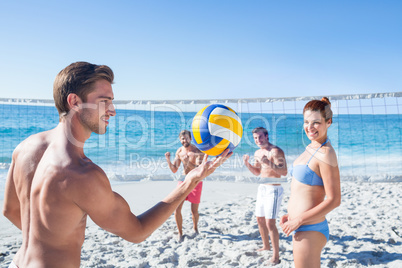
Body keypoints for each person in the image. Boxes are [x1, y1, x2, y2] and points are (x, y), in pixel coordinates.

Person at [2, 61, 231, 268]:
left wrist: (50, 237)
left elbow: (10, 210)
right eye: (104, 101)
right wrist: (190, 180)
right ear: (74, 102)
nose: (112, 110)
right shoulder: (82, 174)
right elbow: (137, 231)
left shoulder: (24, 148)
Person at [280, 97, 341, 268]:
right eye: (306, 122)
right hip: (300, 225)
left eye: (316, 122)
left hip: (310, 228)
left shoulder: (326, 153)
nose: (309, 127)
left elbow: (334, 200)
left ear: (328, 122)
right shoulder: (311, 146)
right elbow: (303, 190)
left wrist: (298, 220)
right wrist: (290, 215)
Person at [243, 127, 287, 265]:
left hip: (274, 189)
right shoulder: (257, 152)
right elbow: (257, 172)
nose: (258, 140)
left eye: (260, 137)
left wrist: (268, 162)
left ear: (267, 136)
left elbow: (284, 171)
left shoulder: (276, 151)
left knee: (270, 223)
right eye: (255, 138)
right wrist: (247, 164)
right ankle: (266, 246)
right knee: (260, 219)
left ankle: (276, 256)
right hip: (262, 188)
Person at [165, 130, 205, 241]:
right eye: (182, 139)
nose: (184, 140)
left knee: (194, 211)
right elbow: (174, 169)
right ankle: (180, 233)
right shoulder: (180, 151)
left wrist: (188, 162)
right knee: (177, 209)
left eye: (186, 138)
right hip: (183, 180)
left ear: (191, 138)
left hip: (195, 181)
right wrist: (168, 160)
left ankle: (195, 229)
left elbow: (199, 169)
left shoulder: (197, 151)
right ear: (180, 140)